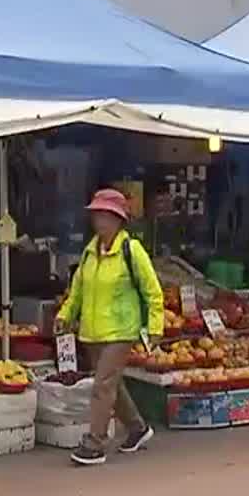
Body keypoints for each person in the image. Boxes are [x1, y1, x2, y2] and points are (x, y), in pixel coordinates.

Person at [57, 188, 163, 467]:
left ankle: (95, 442)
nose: (99, 221)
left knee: (103, 384)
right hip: (92, 331)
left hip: (120, 330)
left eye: (105, 215)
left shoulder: (131, 250)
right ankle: (137, 428)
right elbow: (77, 289)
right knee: (111, 383)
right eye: (97, 215)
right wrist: (65, 315)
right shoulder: (90, 253)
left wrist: (155, 327)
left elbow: (153, 291)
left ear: (118, 220)